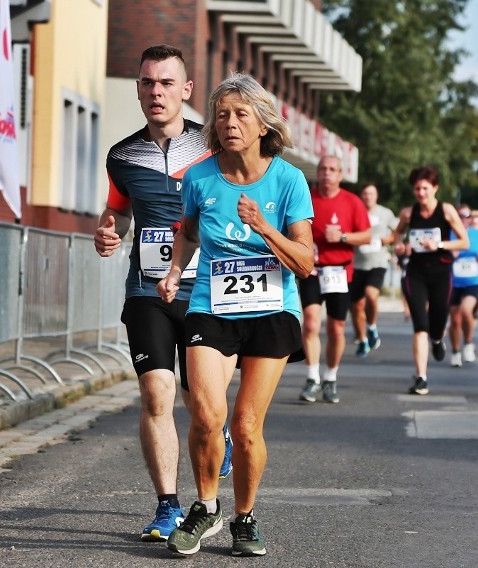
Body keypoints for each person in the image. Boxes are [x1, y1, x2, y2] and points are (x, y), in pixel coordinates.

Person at [156, 72, 314, 557]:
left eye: (241, 114)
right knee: (205, 411)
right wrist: (174, 270)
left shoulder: (288, 179)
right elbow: (185, 230)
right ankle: (205, 507)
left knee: (245, 424)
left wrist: (263, 225)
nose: (229, 123)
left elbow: (305, 262)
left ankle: (244, 517)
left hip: (271, 309)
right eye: (221, 114)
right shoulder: (199, 176)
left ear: (263, 123)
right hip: (212, 304)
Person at [93, 44, 231, 544]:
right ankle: (169, 506)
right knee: (157, 391)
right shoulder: (121, 155)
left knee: (203, 407)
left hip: (208, 293)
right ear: (137, 89)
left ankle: (218, 439)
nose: (157, 92)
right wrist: (108, 233)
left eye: (167, 83)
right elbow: (119, 214)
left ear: (186, 90)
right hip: (148, 291)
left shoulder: (214, 148)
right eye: (148, 82)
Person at [298, 156, 371, 404]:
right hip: (313, 269)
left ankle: (330, 377)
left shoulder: (352, 201)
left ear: (340, 174)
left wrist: (342, 237)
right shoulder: (307, 197)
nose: (327, 173)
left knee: (336, 328)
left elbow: (367, 236)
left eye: (332, 170)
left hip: (340, 272)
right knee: (309, 324)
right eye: (323, 169)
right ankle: (312, 378)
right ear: (318, 173)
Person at [392, 165, 468, 395]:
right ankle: (421, 377)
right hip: (415, 273)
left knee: (437, 320)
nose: (421, 193)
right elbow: (397, 234)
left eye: (425, 188)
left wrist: (440, 245)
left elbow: (464, 242)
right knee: (420, 324)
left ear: (435, 188)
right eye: (417, 189)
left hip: (441, 273)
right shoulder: (408, 213)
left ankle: (438, 339)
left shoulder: (446, 211)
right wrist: (399, 246)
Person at [350, 183, 397, 357]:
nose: (368, 196)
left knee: (371, 294)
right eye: (365, 193)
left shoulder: (385, 213)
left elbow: (398, 230)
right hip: (357, 263)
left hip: (378, 261)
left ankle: (371, 326)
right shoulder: (355, 210)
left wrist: (390, 239)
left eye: (371, 193)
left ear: (376, 196)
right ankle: (363, 340)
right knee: (356, 305)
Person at [448, 204, 478, 367]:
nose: (463, 219)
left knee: (466, 311)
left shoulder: (477, 234)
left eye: (467, 216)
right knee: (454, 320)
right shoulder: (450, 233)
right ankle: (455, 351)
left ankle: (468, 342)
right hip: (453, 281)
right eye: (460, 216)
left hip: (472, 281)